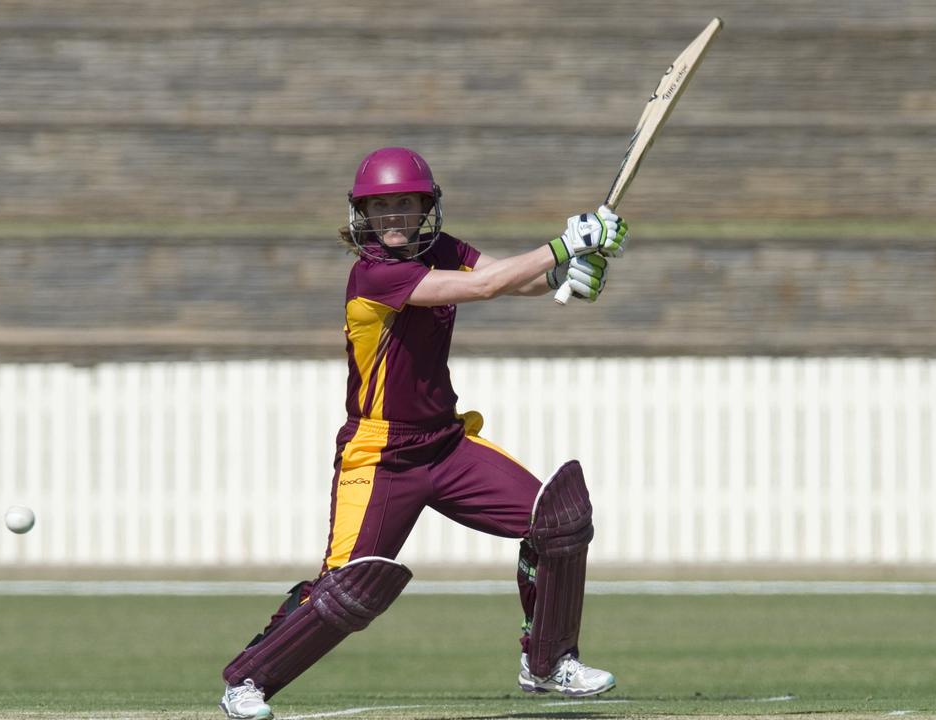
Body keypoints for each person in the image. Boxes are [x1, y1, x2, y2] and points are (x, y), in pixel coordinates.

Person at [219, 147, 630, 720]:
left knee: (558, 520)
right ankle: (247, 680)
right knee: (347, 588)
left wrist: (566, 274)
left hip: (446, 443)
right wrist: (564, 246)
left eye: (404, 204)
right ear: (363, 213)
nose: (393, 217)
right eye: (380, 206)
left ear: (423, 209)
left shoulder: (442, 250)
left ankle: (549, 664)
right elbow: (483, 288)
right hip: (381, 455)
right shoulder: (374, 274)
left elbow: (505, 280)